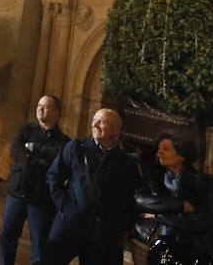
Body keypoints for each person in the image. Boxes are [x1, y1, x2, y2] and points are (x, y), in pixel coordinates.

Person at [44, 107, 142, 265]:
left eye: (101, 122)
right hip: (69, 225)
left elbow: (131, 199)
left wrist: (119, 225)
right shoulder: (76, 148)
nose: (94, 124)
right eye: (94, 120)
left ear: (116, 132)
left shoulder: (127, 163)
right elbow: (54, 176)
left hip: (102, 234)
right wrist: (67, 207)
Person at [0, 94, 70, 265]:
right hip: (18, 191)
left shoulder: (63, 141)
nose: (40, 109)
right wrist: (41, 159)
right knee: (7, 235)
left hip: (41, 197)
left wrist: (35, 150)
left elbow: (57, 158)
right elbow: (15, 150)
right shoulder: (26, 130)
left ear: (56, 113)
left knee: (39, 243)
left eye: (45, 106)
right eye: (39, 105)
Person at [133, 131, 210, 264]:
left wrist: (157, 215)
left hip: (187, 249)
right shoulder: (154, 176)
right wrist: (179, 205)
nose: (159, 153)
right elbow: (140, 199)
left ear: (182, 155)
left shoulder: (197, 182)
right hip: (154, 243)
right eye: (159, 149)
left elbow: (196, 222)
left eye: (166, 149)